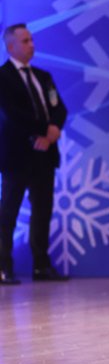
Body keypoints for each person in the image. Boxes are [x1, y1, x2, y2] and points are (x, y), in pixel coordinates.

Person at [0, 24, 69, 284]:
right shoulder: (3, 77)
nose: (31, 44)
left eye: (31, 39)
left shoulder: (43, 77)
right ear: (11, 47)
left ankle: (41, 265)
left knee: (43, 209)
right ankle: (3, 266)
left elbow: (58, 108)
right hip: (17, 155)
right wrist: (43, 130)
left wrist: (53, 131)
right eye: (25, 41)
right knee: (8, 212)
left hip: (44, 154)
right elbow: (12, 113)